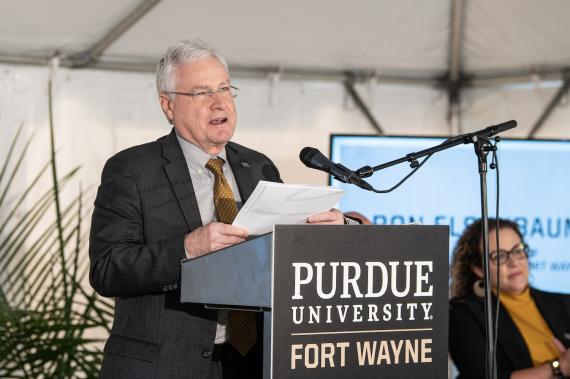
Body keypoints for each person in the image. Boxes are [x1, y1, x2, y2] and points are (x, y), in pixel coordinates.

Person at [89, 39, 348, 379]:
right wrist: (187, 249)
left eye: (225, 88)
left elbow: (282, 257)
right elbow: (107, 269)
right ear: (168, 105)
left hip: (252, 362)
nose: (219, 102)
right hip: (164, 365)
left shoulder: (258, 167)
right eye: (201, 93)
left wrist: (325, 232)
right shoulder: (132, 170)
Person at [449, 218, 570, 379]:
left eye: (517, 250)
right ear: (479, 269)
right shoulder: (462, 313)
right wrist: (557, 367)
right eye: (499, 256)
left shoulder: (565, 303)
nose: (513, 262)